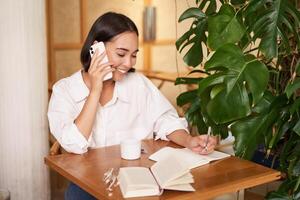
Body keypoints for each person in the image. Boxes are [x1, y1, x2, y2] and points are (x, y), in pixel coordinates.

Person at [48, 12, 217, 200]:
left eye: (133, 55)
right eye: (121, 54)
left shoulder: (138, 84)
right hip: (88, 184)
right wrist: (95, 90)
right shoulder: (64, 90)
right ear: (96, 49)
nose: (128, 63)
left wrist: (189, 141)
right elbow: (73, 145)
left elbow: (164, 120)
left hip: (139, 181)